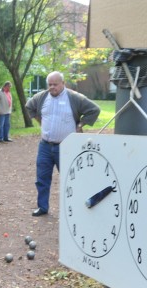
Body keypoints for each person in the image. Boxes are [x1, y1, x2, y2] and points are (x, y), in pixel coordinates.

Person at [25, 71, 100, 217]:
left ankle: (75, 209)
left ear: (63, 83)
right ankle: (42, 207)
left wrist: (81, 124)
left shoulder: (74, 97)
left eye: (55, 84)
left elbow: (94, 109)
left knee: (71, 178)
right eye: (50, 84)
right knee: (42, 178)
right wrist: (38, 120)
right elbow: (29, 106)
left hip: (66, 147)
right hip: (45, 146)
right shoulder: (42, 97)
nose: (52, 87)